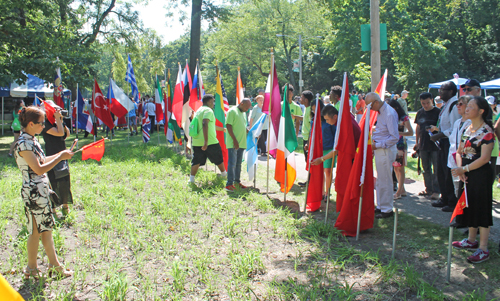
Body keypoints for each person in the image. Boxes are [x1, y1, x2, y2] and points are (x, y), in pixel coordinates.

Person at [14, 106, 73, 279]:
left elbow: (41, 160)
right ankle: (32, 269)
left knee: (45, 229)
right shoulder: (24, 143)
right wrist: (59, 158)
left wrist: (60, 154)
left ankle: (52, 266)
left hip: (40, 190)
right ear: (31, 124)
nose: (43, 126)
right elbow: (38, 169)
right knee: (35, 231)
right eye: (41, 123)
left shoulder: (32, 140)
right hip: (34, 192)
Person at [451, 96, 494, 264]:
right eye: (466, 106)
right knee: (468, 205)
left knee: (481, 208)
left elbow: (484, 158)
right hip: (466, 174)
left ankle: (483, 248)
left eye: (470, 106)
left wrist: (464, 169)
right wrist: (461, 170)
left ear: (481, 111)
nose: (466, 109)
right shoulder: (466, 128)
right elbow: (459, 152)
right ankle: (470, 240)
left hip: (480, 175)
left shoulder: (487, 132)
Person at [365, 92, 399, 218]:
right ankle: (381, 205)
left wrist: (377, 145)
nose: (370, 109)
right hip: (380, 148)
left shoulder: (389, 113)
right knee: (380, 180)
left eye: (370, 106)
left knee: (385, 180)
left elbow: (394, 137)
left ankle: (387, 208)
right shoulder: (381, 112)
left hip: (385, 149)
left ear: (377, 102)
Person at [430, 81, 460, 212]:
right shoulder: (446, 104)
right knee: (441, 171)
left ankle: (452, 200)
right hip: (442, 141)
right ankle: (444, 198)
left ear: (451, 91)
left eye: (443, 90)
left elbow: (455, 128)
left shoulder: (454, 105)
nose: (440, 92)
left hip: (450, 142)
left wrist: (440, 134)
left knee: (448, 172)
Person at [41, 100, 73, 217]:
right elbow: (59, 133)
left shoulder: (56, 121)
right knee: (53, 181)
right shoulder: (45, 124)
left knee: (65, 179)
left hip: (62, 154)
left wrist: (61, 120)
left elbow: (66, 134)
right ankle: (53, 209)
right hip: (52, 155)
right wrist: (58, 120)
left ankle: (65, 206)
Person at [189, 94, 227, 184]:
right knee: (218, 159)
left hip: (197, 141)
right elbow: (205, 123)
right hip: (210, 142)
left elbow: (210, 125)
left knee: (196, 161)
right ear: (209, 101)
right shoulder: (208, 110)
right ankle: (224, 175)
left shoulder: (199, 110)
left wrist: (222, 129)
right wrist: (206, 142)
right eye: (213, 101)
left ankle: (191, 180)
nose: (214, 103)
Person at [414, 92, 441, 200]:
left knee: (436, 169)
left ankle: (436, 190)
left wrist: (435, 129)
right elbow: (418, 127)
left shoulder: (438, 112)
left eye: (428, 103)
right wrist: (417, 142)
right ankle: (428, 189)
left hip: (435, 145)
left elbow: (443, 127)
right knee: (426, 168)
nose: (425, 105)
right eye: (423, 103)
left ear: (432, 100)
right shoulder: (420, 112)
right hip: (423, 144)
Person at [447, 95, 472, 204]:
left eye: (461, 104)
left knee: (465, 188)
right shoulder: (457, 122)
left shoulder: (471, 123)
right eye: (457, 103)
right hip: (453, 159)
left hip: (465, 160)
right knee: (457, 187)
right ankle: (459, 213)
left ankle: (466, 214)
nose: (458, 106)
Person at [225, 98, 252, 191]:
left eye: (248, 108)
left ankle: (237, 181)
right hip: (233, 143)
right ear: (241, 103)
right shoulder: (232, 111)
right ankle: (229, 184)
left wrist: (250, 132)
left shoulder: (243, 113)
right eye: (246, 107)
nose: (247, 109)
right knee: (232, 163)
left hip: (242, 143)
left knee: (238, 164)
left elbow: (243, 126)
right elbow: (228, 126)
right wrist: (235, 141)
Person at [389, 99, 414, 199]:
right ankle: (402, 188)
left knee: (401, 167)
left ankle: (399, 191)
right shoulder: (391, 117)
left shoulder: (404, 118)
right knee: (395, 167)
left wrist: (398, 134)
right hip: (392, 145)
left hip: (400, 145)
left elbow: (411, 132)